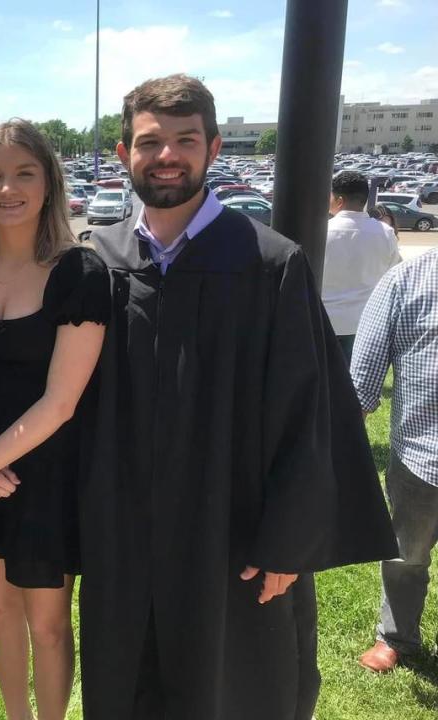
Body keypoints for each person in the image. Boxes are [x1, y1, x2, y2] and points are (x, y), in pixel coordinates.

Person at [83, 74, 397, 720]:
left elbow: (305, 413)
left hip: (231, 534)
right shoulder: (100, 261)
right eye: (149, 142)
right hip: (125, 535)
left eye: (184, 140)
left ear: (214, 148)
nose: (166, 155)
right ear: (123, 154)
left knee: (235, 689)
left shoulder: (269, 264)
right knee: (126, 685)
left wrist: (288, 540)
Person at [0, 118, 110, 720]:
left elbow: (61, 402)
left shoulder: (80, 274)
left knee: (49, 623)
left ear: (48, 182)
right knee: (1, 609)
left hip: (47, 475)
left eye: (23, 173)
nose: (7, 188)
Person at [351, 248, 438, 673]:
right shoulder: (407, 280)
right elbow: (363, 375)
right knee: (408, 556)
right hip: (422, 457)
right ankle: (396, 637)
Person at [322, 171, 402, 363]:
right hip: (366, 322)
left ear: (339, 200)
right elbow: (395, 274)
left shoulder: (322, 231)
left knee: (326, 382)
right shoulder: (386, 233)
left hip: (325, 320)